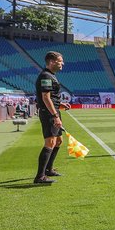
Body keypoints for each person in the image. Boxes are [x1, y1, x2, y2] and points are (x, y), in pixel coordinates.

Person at [35, 51, 70, 184]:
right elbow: (45, 97)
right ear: (52, 61)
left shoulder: (50, 75)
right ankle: (40, 176)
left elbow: (50, 97)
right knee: (50, 142)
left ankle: (48, 169)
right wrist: (55, 115)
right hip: (49, 113)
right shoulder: (46, 76)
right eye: (60, 61)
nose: (63, 64)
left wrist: (60, 104)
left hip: (54, 111)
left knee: (58, 141)